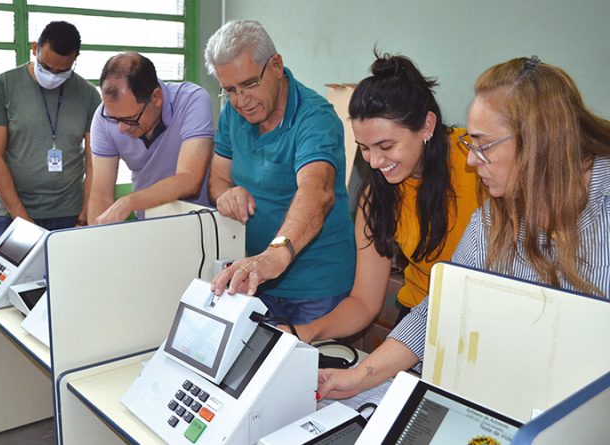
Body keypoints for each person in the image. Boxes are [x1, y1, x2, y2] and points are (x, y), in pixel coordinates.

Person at [318, 56, 610, 400]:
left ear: (539, 140)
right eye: (472, 144)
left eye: (483, 146)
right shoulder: (491, 218)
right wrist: (359, 377)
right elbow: (441, 309)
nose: (471, 159)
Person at [294, 54, 482, 343]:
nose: (374, 162)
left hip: (481, 319)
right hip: (419, 316)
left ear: (427, 125)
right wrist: (303, 331)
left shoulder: (476, 163)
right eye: (364, 148)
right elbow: (363, 303)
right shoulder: (377, 197)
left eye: (386, 146)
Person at [205, 20, 356, 325]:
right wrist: (227, 194)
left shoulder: (315, 118)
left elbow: (317, 191)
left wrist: (275, 255)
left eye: (250, 84)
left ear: (276, 65)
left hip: (313, 289)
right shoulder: (232, 114)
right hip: (256, 278)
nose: (241, 101)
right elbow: (218, 180)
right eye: (230, 90)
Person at [0, 21, 101, 236]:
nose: (53, 75)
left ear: (75, 59)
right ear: (35, 48)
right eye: (46, 67)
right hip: (13, 214)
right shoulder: (3, 86)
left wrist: (85, 214)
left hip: (70, 214)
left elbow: (95, 161)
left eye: (62, 71)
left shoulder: (88, 95)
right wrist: (20, 216)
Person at [88, 52, 214, 224]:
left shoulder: (192, 100)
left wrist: (129, 202)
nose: (121, 128)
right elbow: (101, 195)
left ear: (156, 97)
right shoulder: (103, 118)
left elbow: (189, 180)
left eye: (130, 119)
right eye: (114, 119)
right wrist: (95, 236)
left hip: (199, 222)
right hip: (147, 222)